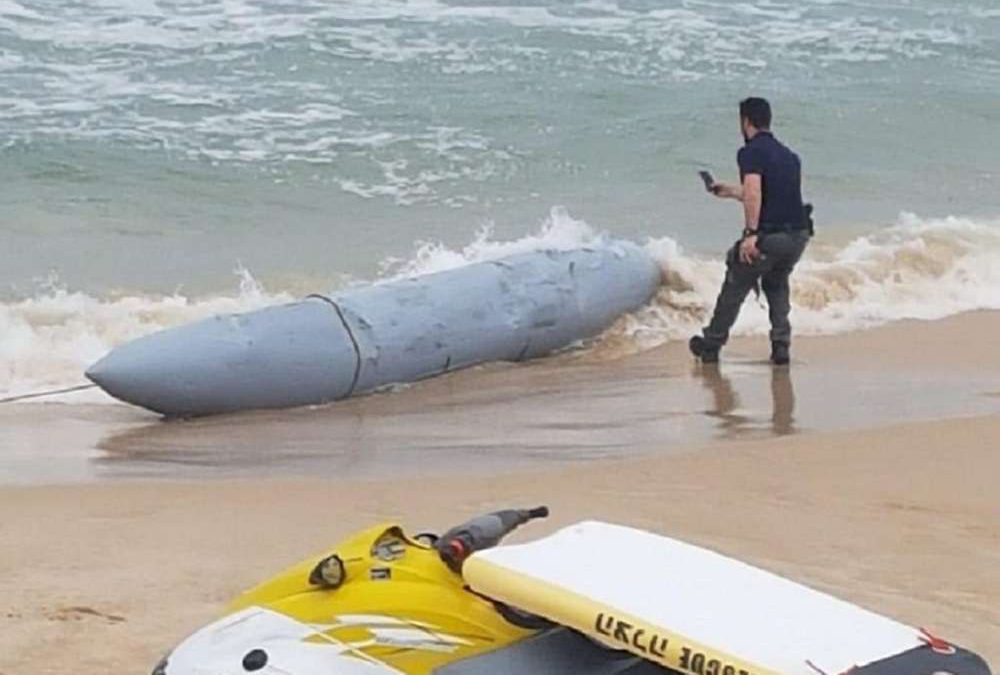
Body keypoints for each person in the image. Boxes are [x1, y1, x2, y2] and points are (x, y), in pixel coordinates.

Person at [690, 97, 812, 366]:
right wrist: (732, 191)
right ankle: (781, 345)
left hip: (771, 238)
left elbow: (755, 191)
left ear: (745, 121)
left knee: (737, 277)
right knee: (776, 282)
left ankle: (710, 344)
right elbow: (772, 195)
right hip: (798, 237)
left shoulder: (750, 152)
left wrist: (750, 235)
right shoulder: (790, 156)